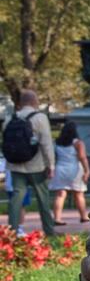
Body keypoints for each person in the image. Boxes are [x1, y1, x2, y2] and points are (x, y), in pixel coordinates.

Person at [4, 89, 56, 237]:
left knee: (16, 198)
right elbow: (46, 143)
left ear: (20, 102)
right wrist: (50, 165)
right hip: (36, 166)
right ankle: (49, 231)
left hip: (15, 165)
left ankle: (12, 232)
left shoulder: (11, 118)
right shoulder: (40, 118)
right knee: (42, 199)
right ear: (35, 101)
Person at [50, 121, 90, 224]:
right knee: (79, 194)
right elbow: (82, 157)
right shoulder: (78, 143)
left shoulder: (57, 142)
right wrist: (87, 171)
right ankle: (83, 216)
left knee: (60, 195)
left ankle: (57, 218)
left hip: (60, 168)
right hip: (75, 169)